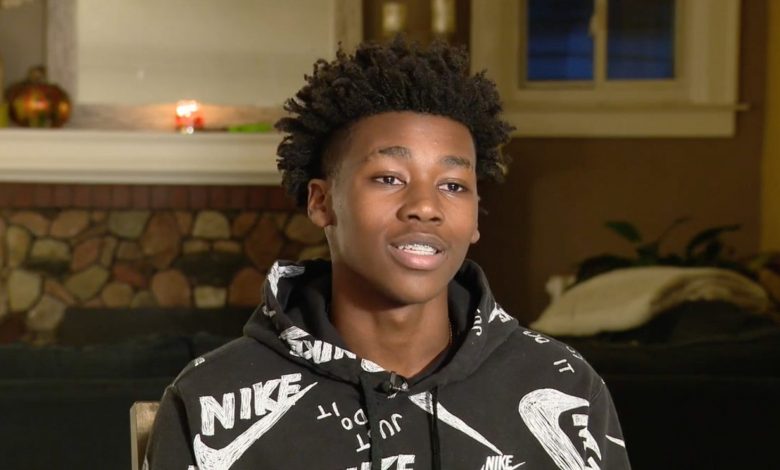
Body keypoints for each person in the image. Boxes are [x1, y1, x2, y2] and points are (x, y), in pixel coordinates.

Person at [144, 37, 631, 470]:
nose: (426, 206)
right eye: (389, 178)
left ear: (476, 218)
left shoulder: (565, 388)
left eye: (453, 185)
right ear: (321, 202)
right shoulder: (210, 401)